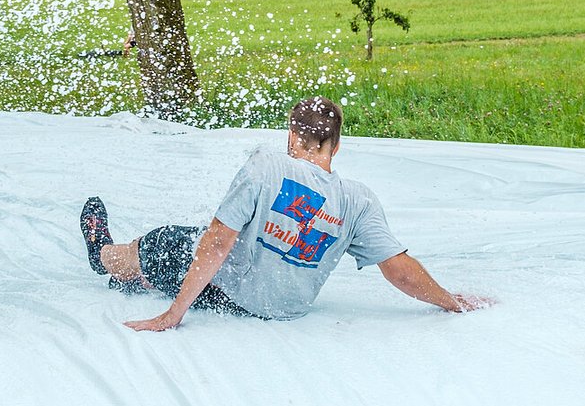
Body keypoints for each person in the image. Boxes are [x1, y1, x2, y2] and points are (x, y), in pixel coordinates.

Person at [79, 96, 491, 332]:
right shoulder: (358, 201)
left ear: (292, 136)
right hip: (284, 306)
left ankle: (105, 257)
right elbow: (400, 270)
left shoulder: (265, 165)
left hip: (227, 293)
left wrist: (174, 314)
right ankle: (134, 279)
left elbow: (218, 242)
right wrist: (450, 302)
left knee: (168, 240)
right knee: (200, 237)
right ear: (337, 145)